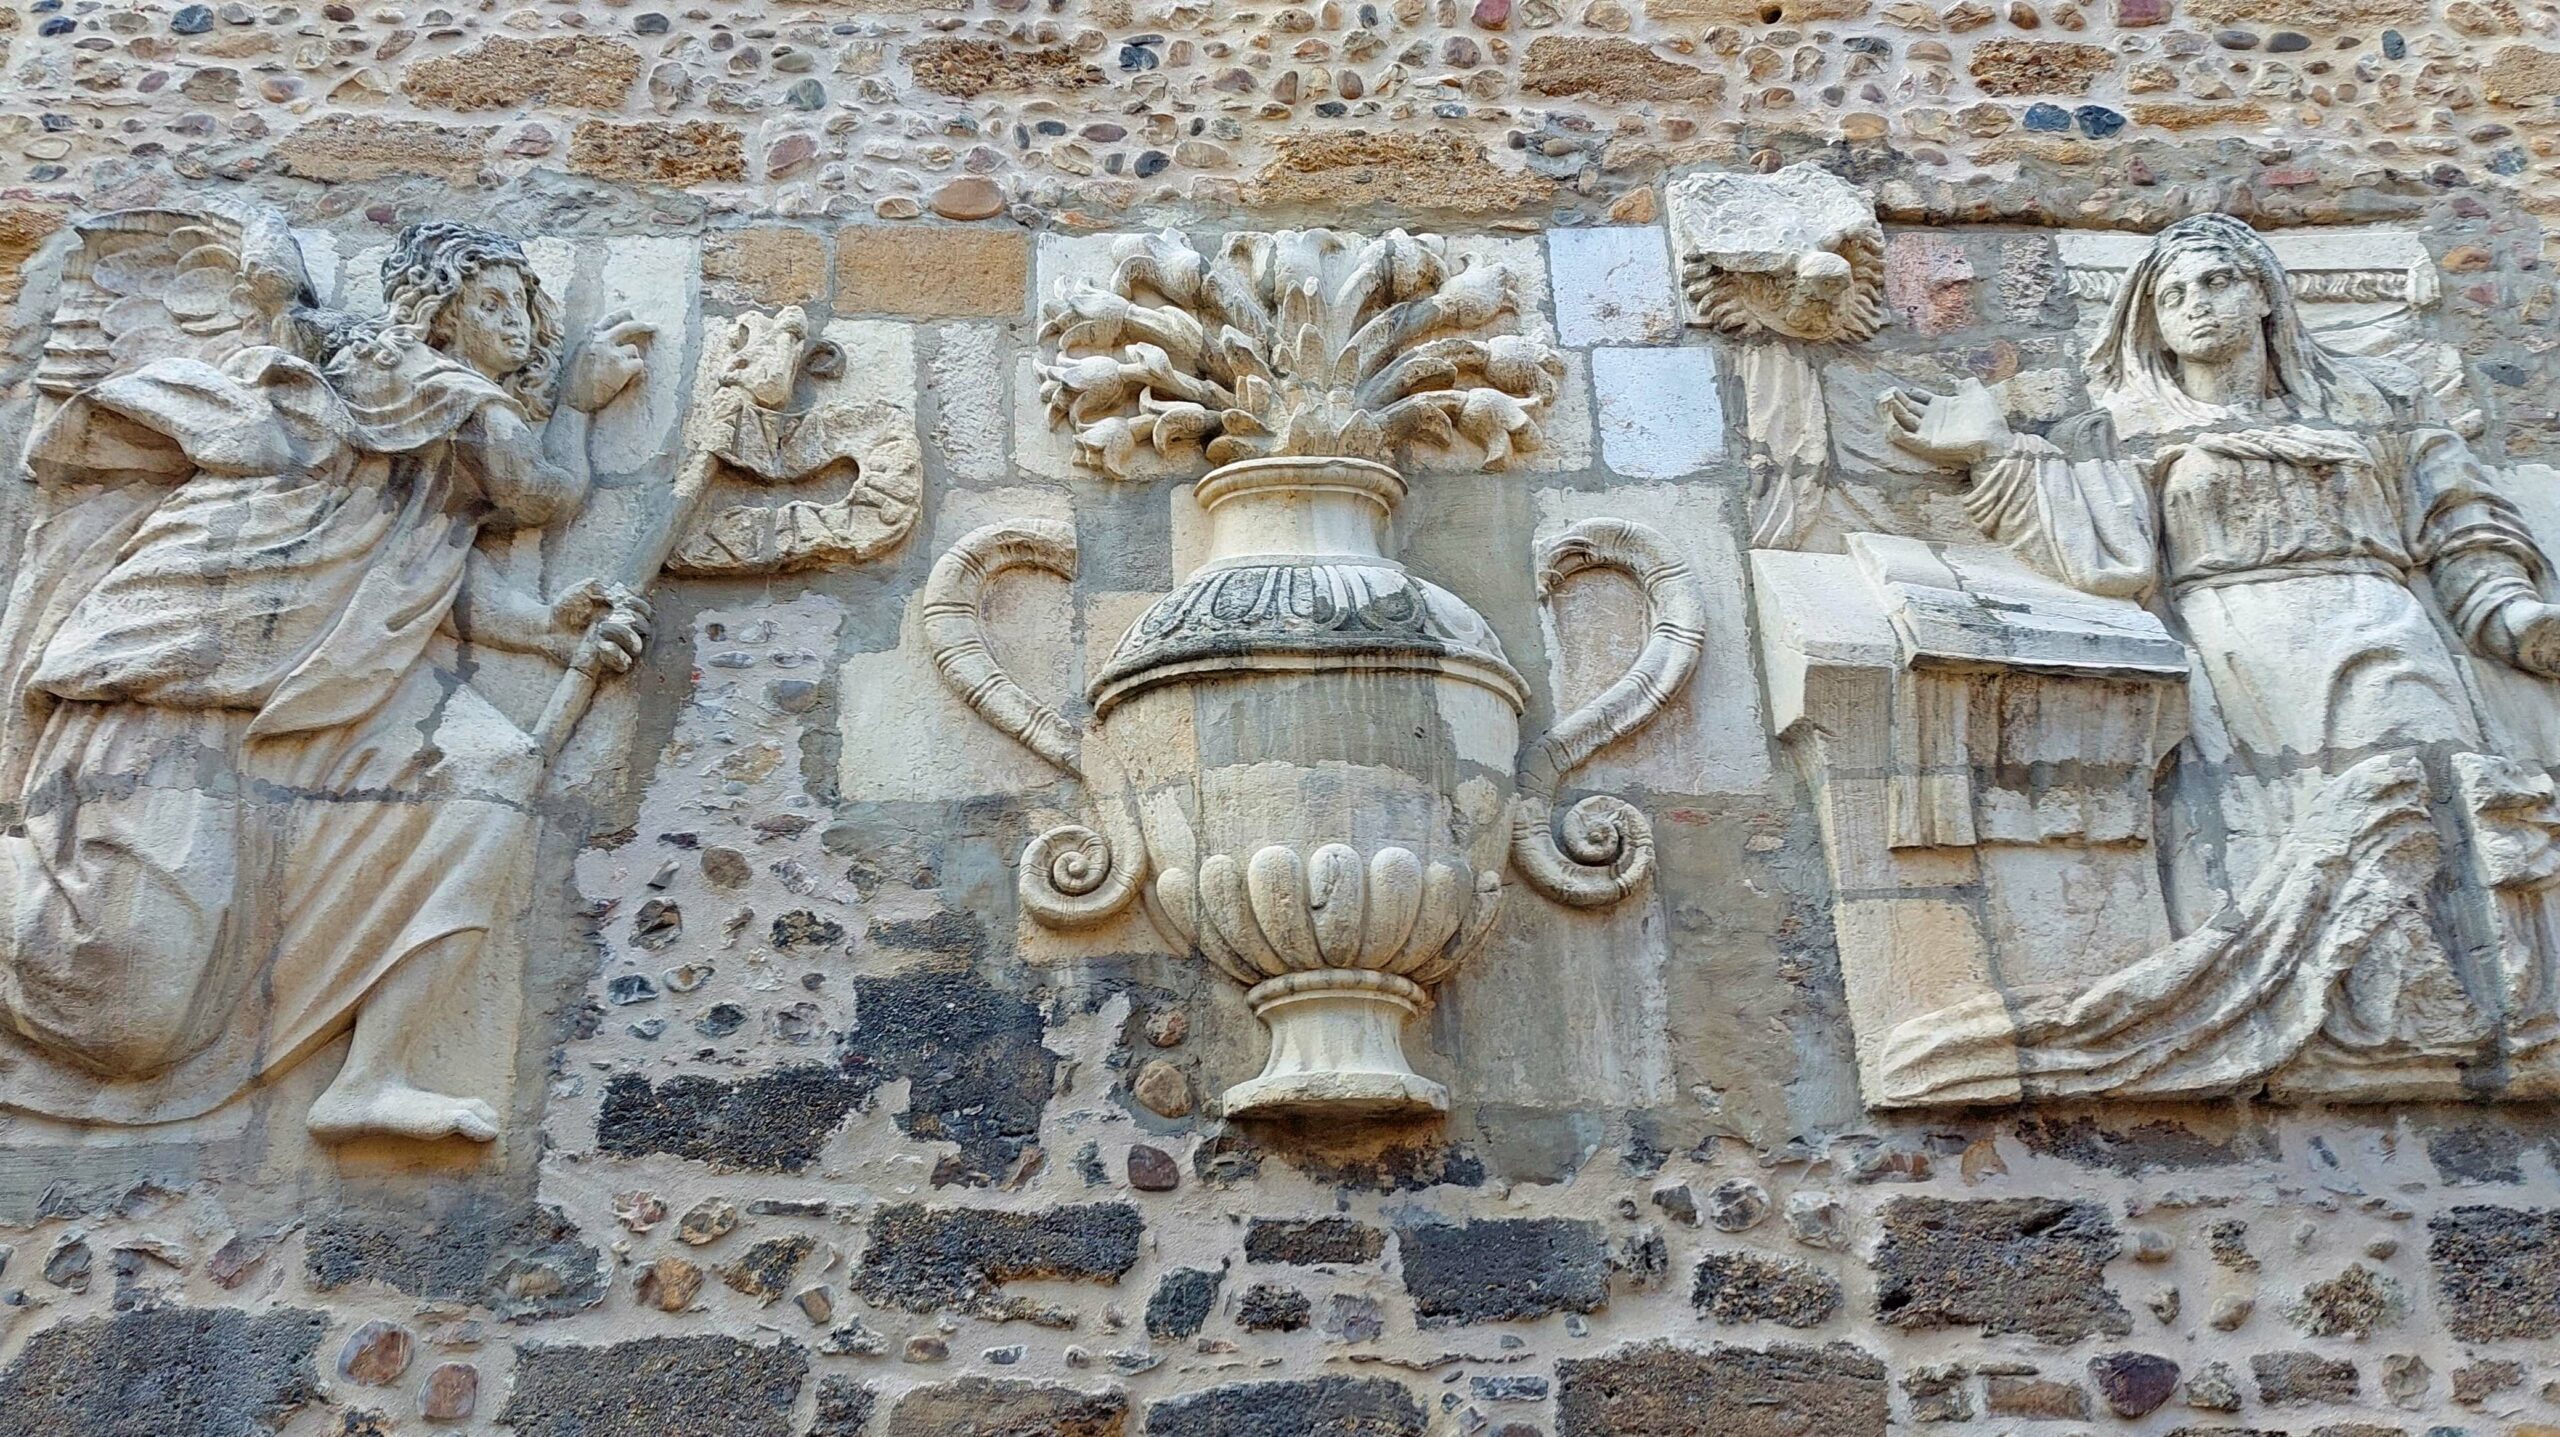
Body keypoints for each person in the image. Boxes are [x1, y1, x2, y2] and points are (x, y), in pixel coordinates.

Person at [1876, 212, 2560, 1097]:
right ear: (2152, 322)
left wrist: (2515, 618)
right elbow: (2112, 554)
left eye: (2217, 281)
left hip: (2386, 623)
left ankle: (2471, 1013)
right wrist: (1995, 452)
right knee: (2282, 827)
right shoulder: (2126, 425)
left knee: (2424, 802)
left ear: (2264, 295)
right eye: (2173, 294)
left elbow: (2461, 522)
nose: (2197, 304)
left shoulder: (2374, 404)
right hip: (2240, 642)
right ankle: (2336, 1022)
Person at [0, 222, 650, 1141]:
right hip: (183, 681)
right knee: (127, 1013)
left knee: (487, 768)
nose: (515, 324)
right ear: (439, 314)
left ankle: (370, 1077)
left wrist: (546, 628)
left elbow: (409, 572)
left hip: (317, 688)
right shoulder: (439, 394)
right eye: (492, 303)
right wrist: (578, 405)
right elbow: (544, 492)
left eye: (523, 307)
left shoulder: (414, 439)